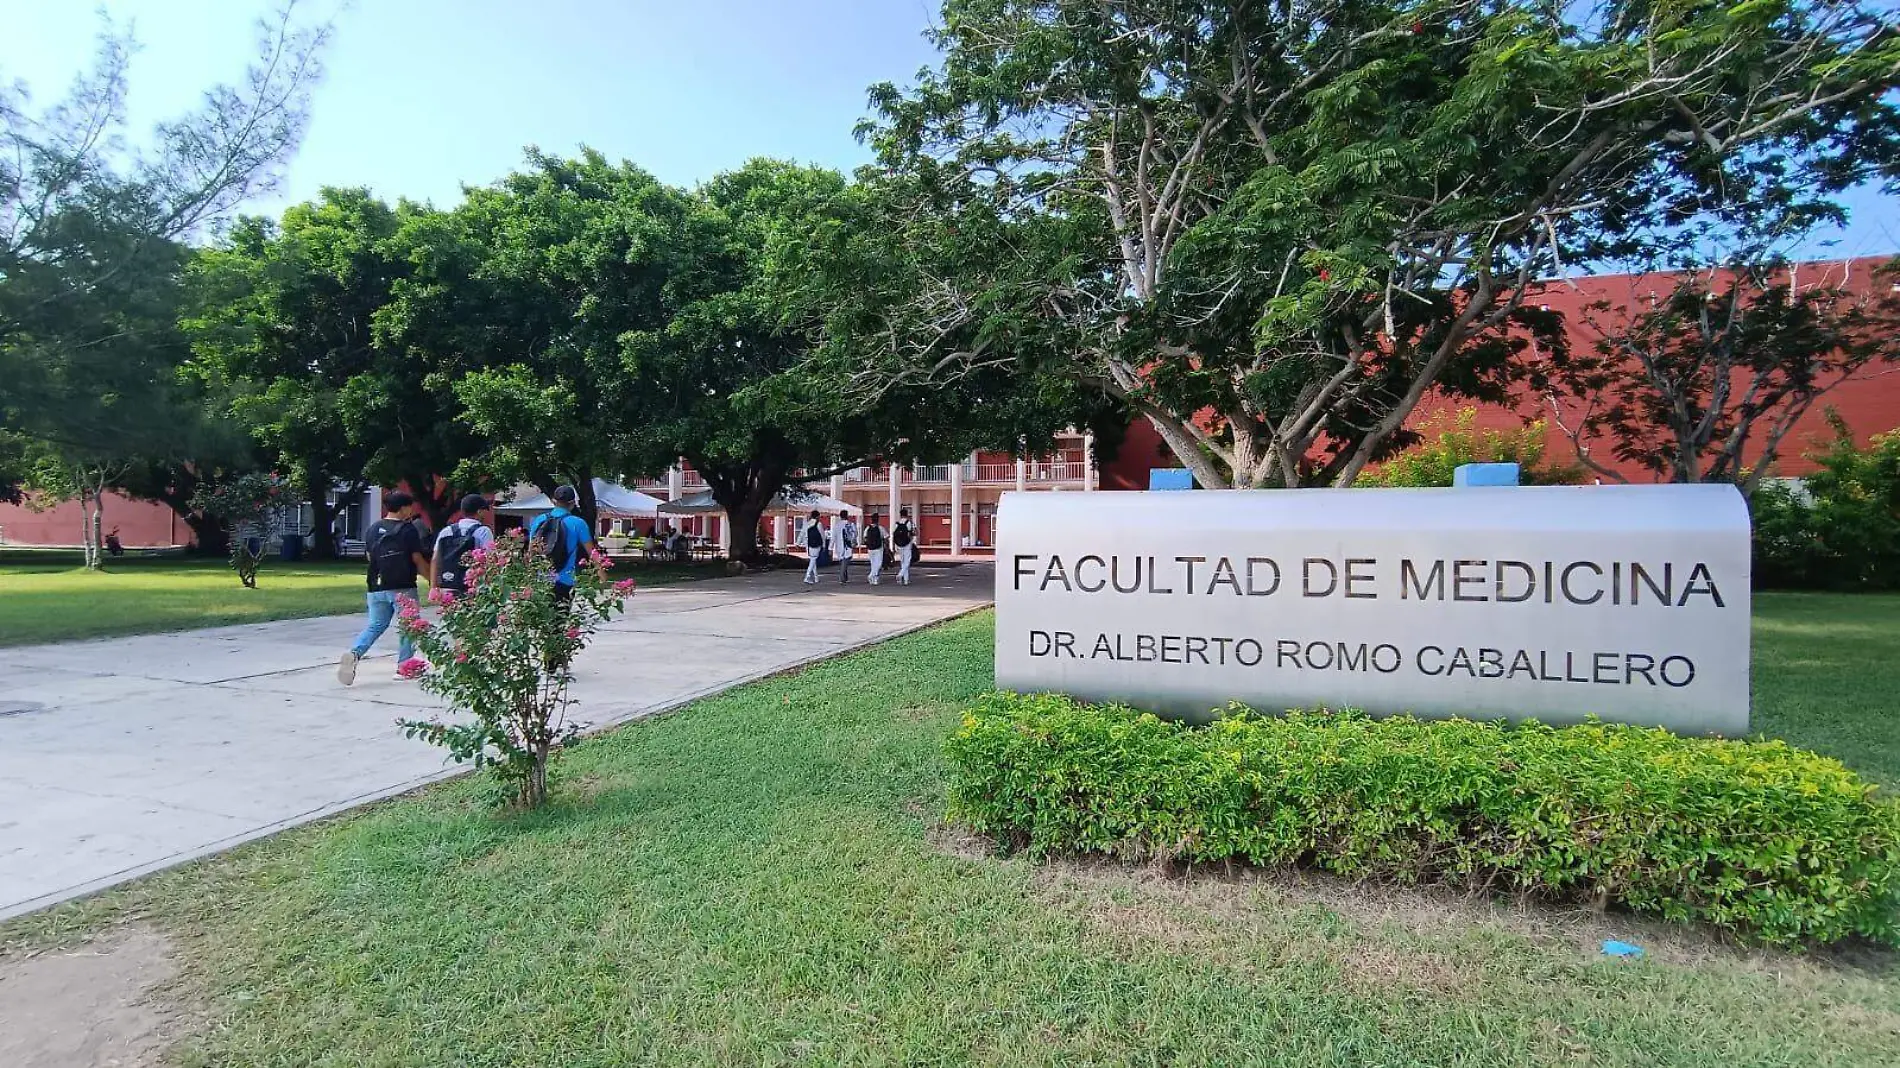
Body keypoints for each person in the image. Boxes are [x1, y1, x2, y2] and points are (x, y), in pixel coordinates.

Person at [338, 490, 431, 686]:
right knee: (409, 627)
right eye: (410, 507)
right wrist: (432, 580)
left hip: (376, 586)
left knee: (376, 625)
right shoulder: (409, 530)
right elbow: (417, 559)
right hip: (403, 587)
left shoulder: (372, 529)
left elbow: (370, 558)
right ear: (404, 508)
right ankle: (405, 667)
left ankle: (354, 652)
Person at [526, 485, 595, 606]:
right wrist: (601, 575)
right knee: (560, 620)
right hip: (565, 581)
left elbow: (531, 552)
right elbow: (592, 553)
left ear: (553, 501)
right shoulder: (578, 523)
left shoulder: (539, 520)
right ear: (573, 503)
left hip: (541, 580)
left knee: (542, 621)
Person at [430, 493, 495, 595]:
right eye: (485, 510)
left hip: (447, 586)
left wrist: (433, 587)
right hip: (473, 587)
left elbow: (435, 559)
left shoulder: (446, 531)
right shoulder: (483, 531)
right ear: (479, 511)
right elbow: (490, 558)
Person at [891, 507, 918, 586]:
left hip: (898, 544)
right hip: (907, 544)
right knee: (907, 561)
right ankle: (900, 574)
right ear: (907, 514)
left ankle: (906, 580)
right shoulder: (909, 523)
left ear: (900, 515)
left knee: (903, 562)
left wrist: (893, 546)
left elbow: (894, 535)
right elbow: (916, 533)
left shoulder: (896, 524)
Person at [833, 511, 859, 585]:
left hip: (839, 546)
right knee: (845, 561)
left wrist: (830, 548)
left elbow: (833, 537)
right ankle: (842, 577)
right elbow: (855, 534)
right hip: (848, 546)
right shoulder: (851, 524)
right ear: (847, 516)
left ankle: (845, 577)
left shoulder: (837, 525)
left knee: (842, 561)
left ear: (840, 516)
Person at [802, 510, 825, 585]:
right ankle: (807, 577)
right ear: (818, 516)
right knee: (813, 560)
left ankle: (816, 577)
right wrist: (824, 545)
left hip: (808, 545)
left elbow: (802, 533)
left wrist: (798, 543)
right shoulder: (819, 524)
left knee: (813, 559)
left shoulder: (807, 523)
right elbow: (822, 536)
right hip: (816, 545)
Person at [862, 515, 887, 585]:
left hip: (870, 549)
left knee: (873, 564)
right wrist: (886, 547)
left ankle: (874, 579)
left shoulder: (867, 528)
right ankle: (872, 576)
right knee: (878, 564)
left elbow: (865, 538)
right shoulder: (880, 528)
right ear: (878, 520)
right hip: (879, 548)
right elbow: (885, 538)